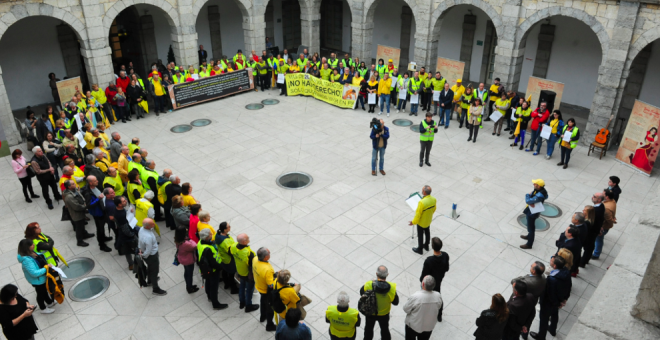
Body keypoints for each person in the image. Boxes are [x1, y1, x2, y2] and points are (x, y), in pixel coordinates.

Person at [529, 256, 571, 340]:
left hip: (549, 303)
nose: (550, 261)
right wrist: (564, 299)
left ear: (554, 266)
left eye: (551, 261)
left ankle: (541, 336)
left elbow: (551, 294)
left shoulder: (552, 279)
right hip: (559, 300)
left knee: (544, 319)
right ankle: (552, 329)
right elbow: (569, 285)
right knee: (555, 314)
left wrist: (557, 303)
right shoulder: (566, 271)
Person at [16, 239, 55, 314]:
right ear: (27, 247)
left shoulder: (31, 252)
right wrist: (46, 268)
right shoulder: (27, 260)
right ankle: (43, 308)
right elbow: (34, 273)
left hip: (42, 277)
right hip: (38, 280)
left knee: (44, 291)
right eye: (31, 245)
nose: (33, 245)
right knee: (40, 294)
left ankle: (49, 302)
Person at [360, 265, 398, 340]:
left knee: (368, 329)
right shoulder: (392, 288)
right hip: (384, 314)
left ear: (376, 274)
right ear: (387, 275)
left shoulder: (369, 284)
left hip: (370, 312)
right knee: (385, 330)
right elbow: (396, 302)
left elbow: (361, 293)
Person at [511, 262, 546, 340]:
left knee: (519, 319)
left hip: (523, 303)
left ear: (534, 271)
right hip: (532, 301)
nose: (530, 266)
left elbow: (513, 282)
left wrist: (520, 278)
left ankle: (521, 332)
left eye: (531, 266)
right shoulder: (543, 277)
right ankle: (525, 334)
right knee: (528, 319)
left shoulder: (527, 283)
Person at [197, 228, 228, 309]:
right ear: (207, 237)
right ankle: (215, 304)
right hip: (213, 270)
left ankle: (209, 296)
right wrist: (221, 267)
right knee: (214, 287)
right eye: (210, 234)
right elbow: (213, 263)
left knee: (208, 282)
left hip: (205, 269)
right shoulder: (208, 249)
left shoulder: (200, 243)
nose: (212, 235)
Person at [403, 275, 443, 340]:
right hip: (428, 326)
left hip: (413, 326)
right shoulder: (438, 296)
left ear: (423, 284)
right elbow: (439, 306)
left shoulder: (415, 297)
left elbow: (406, 309)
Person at [419, 237, 449, 321]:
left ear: (432, 247)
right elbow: (447, 268)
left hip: (429, 283)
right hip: (438, 281)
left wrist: (422, 281)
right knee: (438, 297)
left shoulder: (429, 261)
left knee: (424, 298)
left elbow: (423, 276)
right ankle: (439, 315)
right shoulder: (445, 255)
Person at [81, 175, 113, 252]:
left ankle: (104, 237)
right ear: (90, 183)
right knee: (100, 229)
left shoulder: (94, 187)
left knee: (102, 227)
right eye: (95, 180)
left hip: (102, 210)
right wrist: (98, 199)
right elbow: (89, 205)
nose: (97, 181)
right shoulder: (88, 193)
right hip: (98, 213)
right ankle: (102, 245)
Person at [139, 218, 167, 296]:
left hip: (146, 254)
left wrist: (140, 250)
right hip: (151, 256)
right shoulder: (148, 237)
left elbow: (139, 241)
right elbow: (148, 250)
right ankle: (155, 288)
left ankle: (150, 281)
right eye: (152, 224)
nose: (154, 224)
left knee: (150, 268)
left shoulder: (142, 229)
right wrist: (144, 256)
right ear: (147, 226)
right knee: (154, 271)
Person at [232, 233, 259, 312]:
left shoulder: (234, 246)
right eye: (247, 238)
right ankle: (248, 306)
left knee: (242, 287)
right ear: (244, 242)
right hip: (248, 275)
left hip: (240, 271)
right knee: (249, 291)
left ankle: (242, 302)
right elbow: (253, 265)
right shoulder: (248, 253)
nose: (249, 238)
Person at [253, 247, 277, 331]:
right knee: (270, 307)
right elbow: (271, 285)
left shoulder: (255, 259)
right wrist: (276, 278)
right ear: (265, 257)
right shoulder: (268, 269)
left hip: (259, 286)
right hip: (266, 291)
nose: (270, 254)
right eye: (269, 253)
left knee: (262, 301)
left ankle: (262, 316)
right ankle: (269, 325)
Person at [520, 179, 548, 249]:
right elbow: (546, 196)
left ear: (539, 186)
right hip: (531, 210)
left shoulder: (539, 195)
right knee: (530, 226)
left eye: (535, 184)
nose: (533, 185)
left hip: (532, 212)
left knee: (531, 228)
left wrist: (527, 195)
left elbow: (528, 201)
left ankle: (529, 244)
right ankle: (529, 236)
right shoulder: (541, 191)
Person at [410, 185, 437, 254]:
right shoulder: (434, 199)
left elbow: (418, 214)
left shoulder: (421, 202)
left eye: (422, 191)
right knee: (427, 232)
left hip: (421, 222)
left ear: (424, 192)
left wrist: (413, 222)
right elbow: (434, 209)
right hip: (428, 220)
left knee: (420, 235)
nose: (422, 191)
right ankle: (426, 245)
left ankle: (420, 249)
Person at [114, 196, 137, 269]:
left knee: (127, 251)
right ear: (119, 204)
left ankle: (131, 264)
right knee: (133, 248)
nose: (126, 201)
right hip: (127, 235)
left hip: (123, 234)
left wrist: (129, 212)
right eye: (123, 201)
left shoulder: (118, 210)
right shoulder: (121, 215)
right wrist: (132, 235)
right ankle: (134, 263)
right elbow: (125, 228)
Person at [594, 189, 617, 260]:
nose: (601, 194)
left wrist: (612, 221)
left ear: (607, 197)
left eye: (603, 194)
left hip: (603, 227)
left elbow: (609, 220)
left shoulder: (606, 207)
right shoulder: (612, 201)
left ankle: (596, 254)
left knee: (598, 240)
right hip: (604, 226)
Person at [216, 222, 238, 294]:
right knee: (231, 274)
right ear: (225, 230)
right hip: (229, 260)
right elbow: (231, 252)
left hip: (223, 258)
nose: (230, 227)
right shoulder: (225, 241)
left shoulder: (218, 235)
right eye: (228, 226)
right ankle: (233, 289)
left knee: (225, 271)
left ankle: (226, 284)